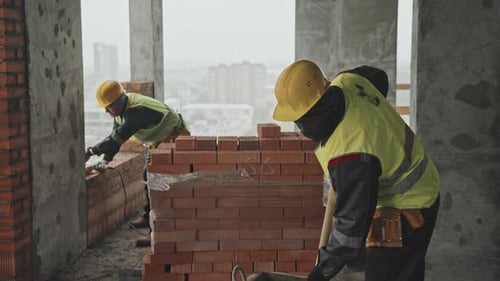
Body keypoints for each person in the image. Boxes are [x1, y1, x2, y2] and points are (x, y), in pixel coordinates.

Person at [273, 60, 440, 281]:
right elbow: (378, 77)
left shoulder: (349, 152)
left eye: (300, 117)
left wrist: (321, 272)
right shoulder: (347, 81)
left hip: (410, 203)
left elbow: (351, 228)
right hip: (409, 182)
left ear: (311, 113)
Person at [86, 80, 190, 247]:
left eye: (108, 106)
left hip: (174, 138)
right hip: (160, 141)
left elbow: (115, 139)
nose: (106, 110)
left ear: (119, 101)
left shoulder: (136, 112)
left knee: (158, 184)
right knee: (148, 178)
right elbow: (115, 138)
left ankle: (155, 233)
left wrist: (90, 152)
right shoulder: (121, 112)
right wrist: (106, 160)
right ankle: (147, 215)